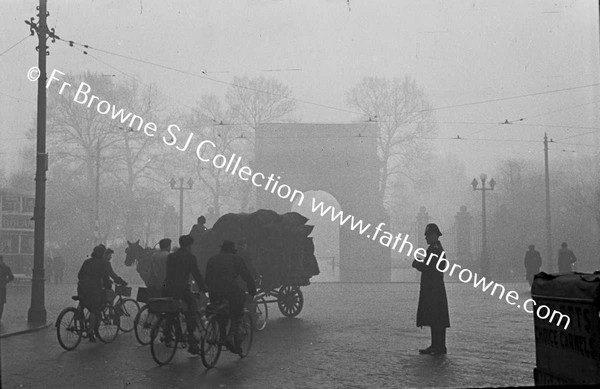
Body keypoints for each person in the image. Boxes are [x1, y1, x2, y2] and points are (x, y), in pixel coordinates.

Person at [205, 240, 257, 354]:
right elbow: (246, 276)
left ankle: (222, 336)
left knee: (220, 314)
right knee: (237, 314)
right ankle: (230, 336)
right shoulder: (236, 259)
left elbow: (207, 278)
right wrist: (252, 289)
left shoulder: (212, 259)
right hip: (230, 291)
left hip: (214, 292)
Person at [162, 235, 206, 354]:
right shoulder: (190, 257)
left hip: (168, 288)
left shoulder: (171, 256)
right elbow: (196, 274)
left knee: (172, 311)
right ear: (190, 246)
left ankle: (168, 333)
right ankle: (192, 341)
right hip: (181, 289)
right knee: (192, 311)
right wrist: (203, 287)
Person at [411, 223, 450, 355]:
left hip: (434, 288)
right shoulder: (435, 248)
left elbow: (429, 267)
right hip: (434, 287)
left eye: (428, 235)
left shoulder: (435, 249)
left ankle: (439, 345)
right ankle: (436, 344)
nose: (426, 238)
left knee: (436, 317)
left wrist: (417, 264)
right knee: (436, 318)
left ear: (434, 235)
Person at [77, 245, 127, 342]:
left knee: (83, 303)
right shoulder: (103, 263)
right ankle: (91, 331)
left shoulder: (87, 261)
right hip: (94, 289)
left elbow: (79, 275)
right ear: (102, 253)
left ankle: (80, 319)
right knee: (94, 310)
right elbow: (111, 275)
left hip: (82, 288)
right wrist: (121, 281)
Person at [0, 255, 15, 321]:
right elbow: (11, 277)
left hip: (2, 287)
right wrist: (4, 281)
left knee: (1, 303)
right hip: (2, 287)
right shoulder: (6, 267)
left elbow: (11, 277)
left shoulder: (5, 267)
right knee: (1, 303)